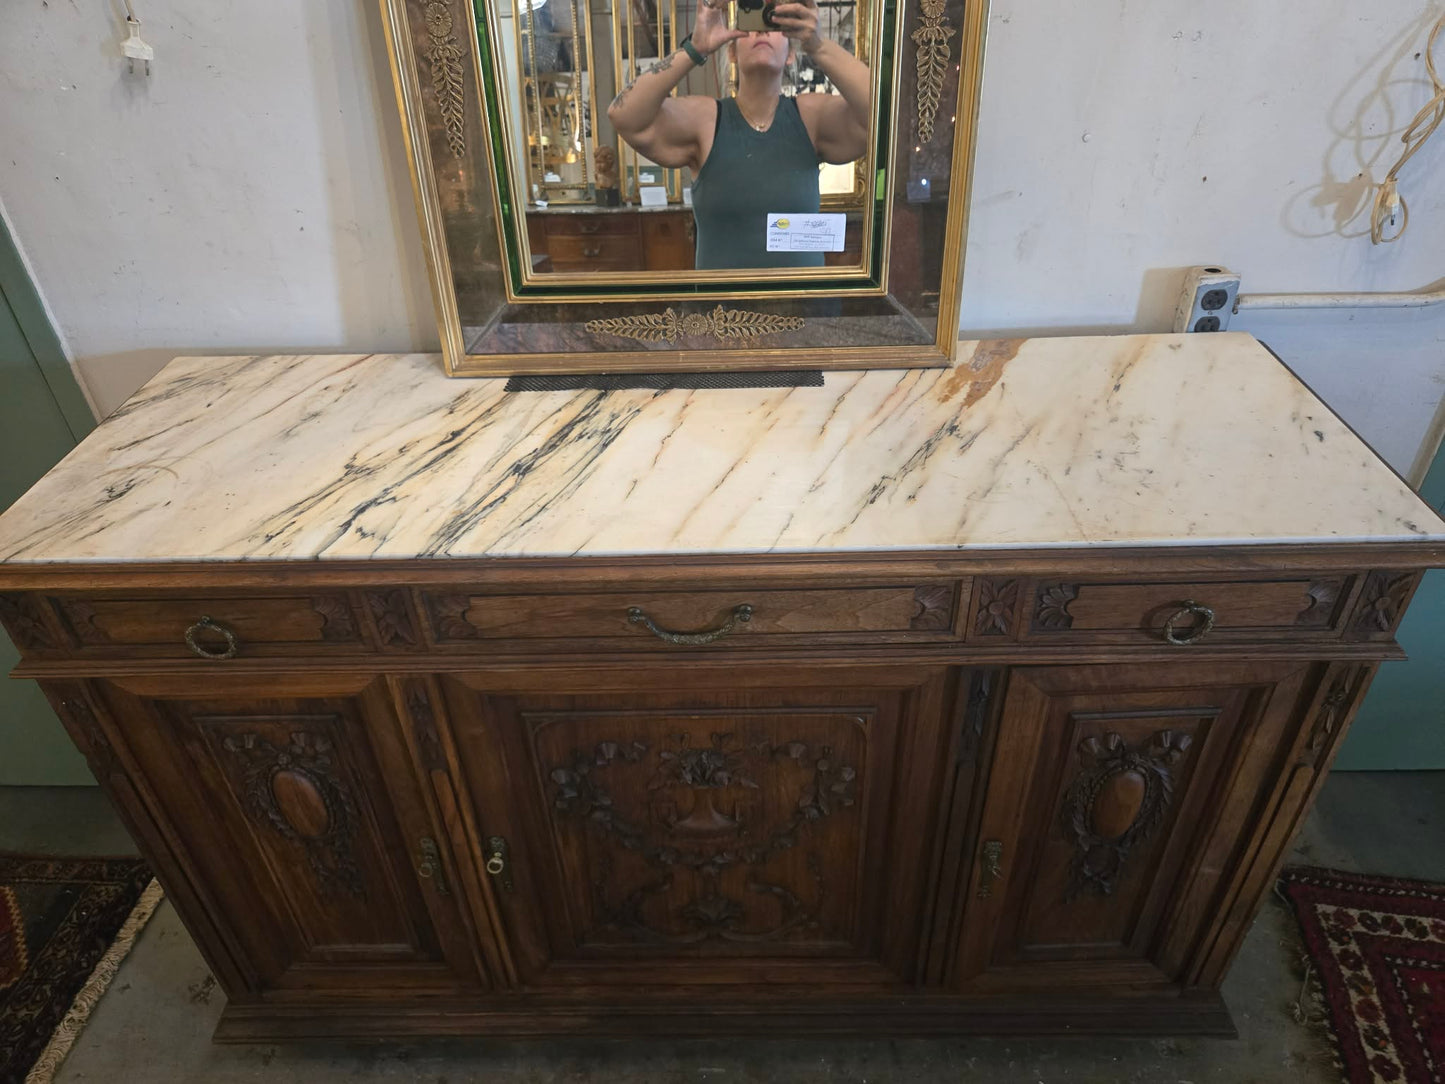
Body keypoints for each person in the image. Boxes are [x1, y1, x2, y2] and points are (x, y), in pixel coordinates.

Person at [606, 0, 869, 269]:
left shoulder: (810, 116)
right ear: (731, 51)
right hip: (725, 310)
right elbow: (623, 114)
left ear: (791, 53)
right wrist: (694, 49)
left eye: (774, 23)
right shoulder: (706, 120)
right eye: (752, 23)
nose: (762, 31)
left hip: (801, 305)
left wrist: (819, 45)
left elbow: (881, 113)